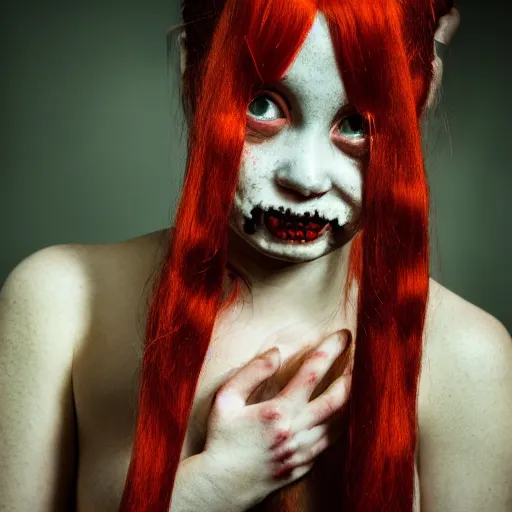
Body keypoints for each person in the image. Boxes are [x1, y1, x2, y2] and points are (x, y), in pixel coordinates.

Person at [0, 1, 510, 511]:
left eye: (357, 123)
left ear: (423, 102)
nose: (306, 178)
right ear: (191, 78)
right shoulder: (58, 302)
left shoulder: (470, 356)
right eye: (263, 105)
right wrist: (211, 489)